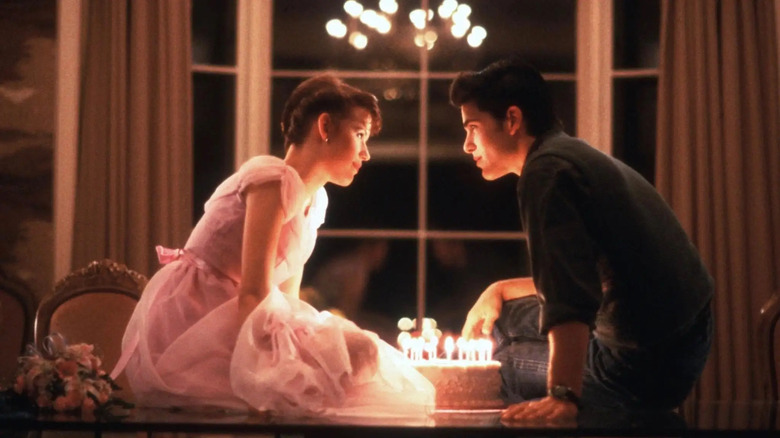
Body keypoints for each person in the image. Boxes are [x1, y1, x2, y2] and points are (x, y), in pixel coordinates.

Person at [112, 75, 434, 418]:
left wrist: (305, 353)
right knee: (334, 370)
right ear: (324, 126)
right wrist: (277, 368)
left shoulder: (315, 201)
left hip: (245, 315)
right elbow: (253, 292)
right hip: (198, 319)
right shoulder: (271, 178)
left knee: (358, 355)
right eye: (359, 135)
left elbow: (287, 300)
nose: (366, 153)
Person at [450, 58, 714, 422]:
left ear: (512, 120)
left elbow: (568, 298)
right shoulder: (570, 153)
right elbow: (589, 275)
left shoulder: (546, 173)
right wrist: (499, 288)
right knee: (504, 319)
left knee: (494, 364)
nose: (467, 145)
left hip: (639, 366)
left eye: (473, 128)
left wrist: (563, 395)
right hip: (684, 340)